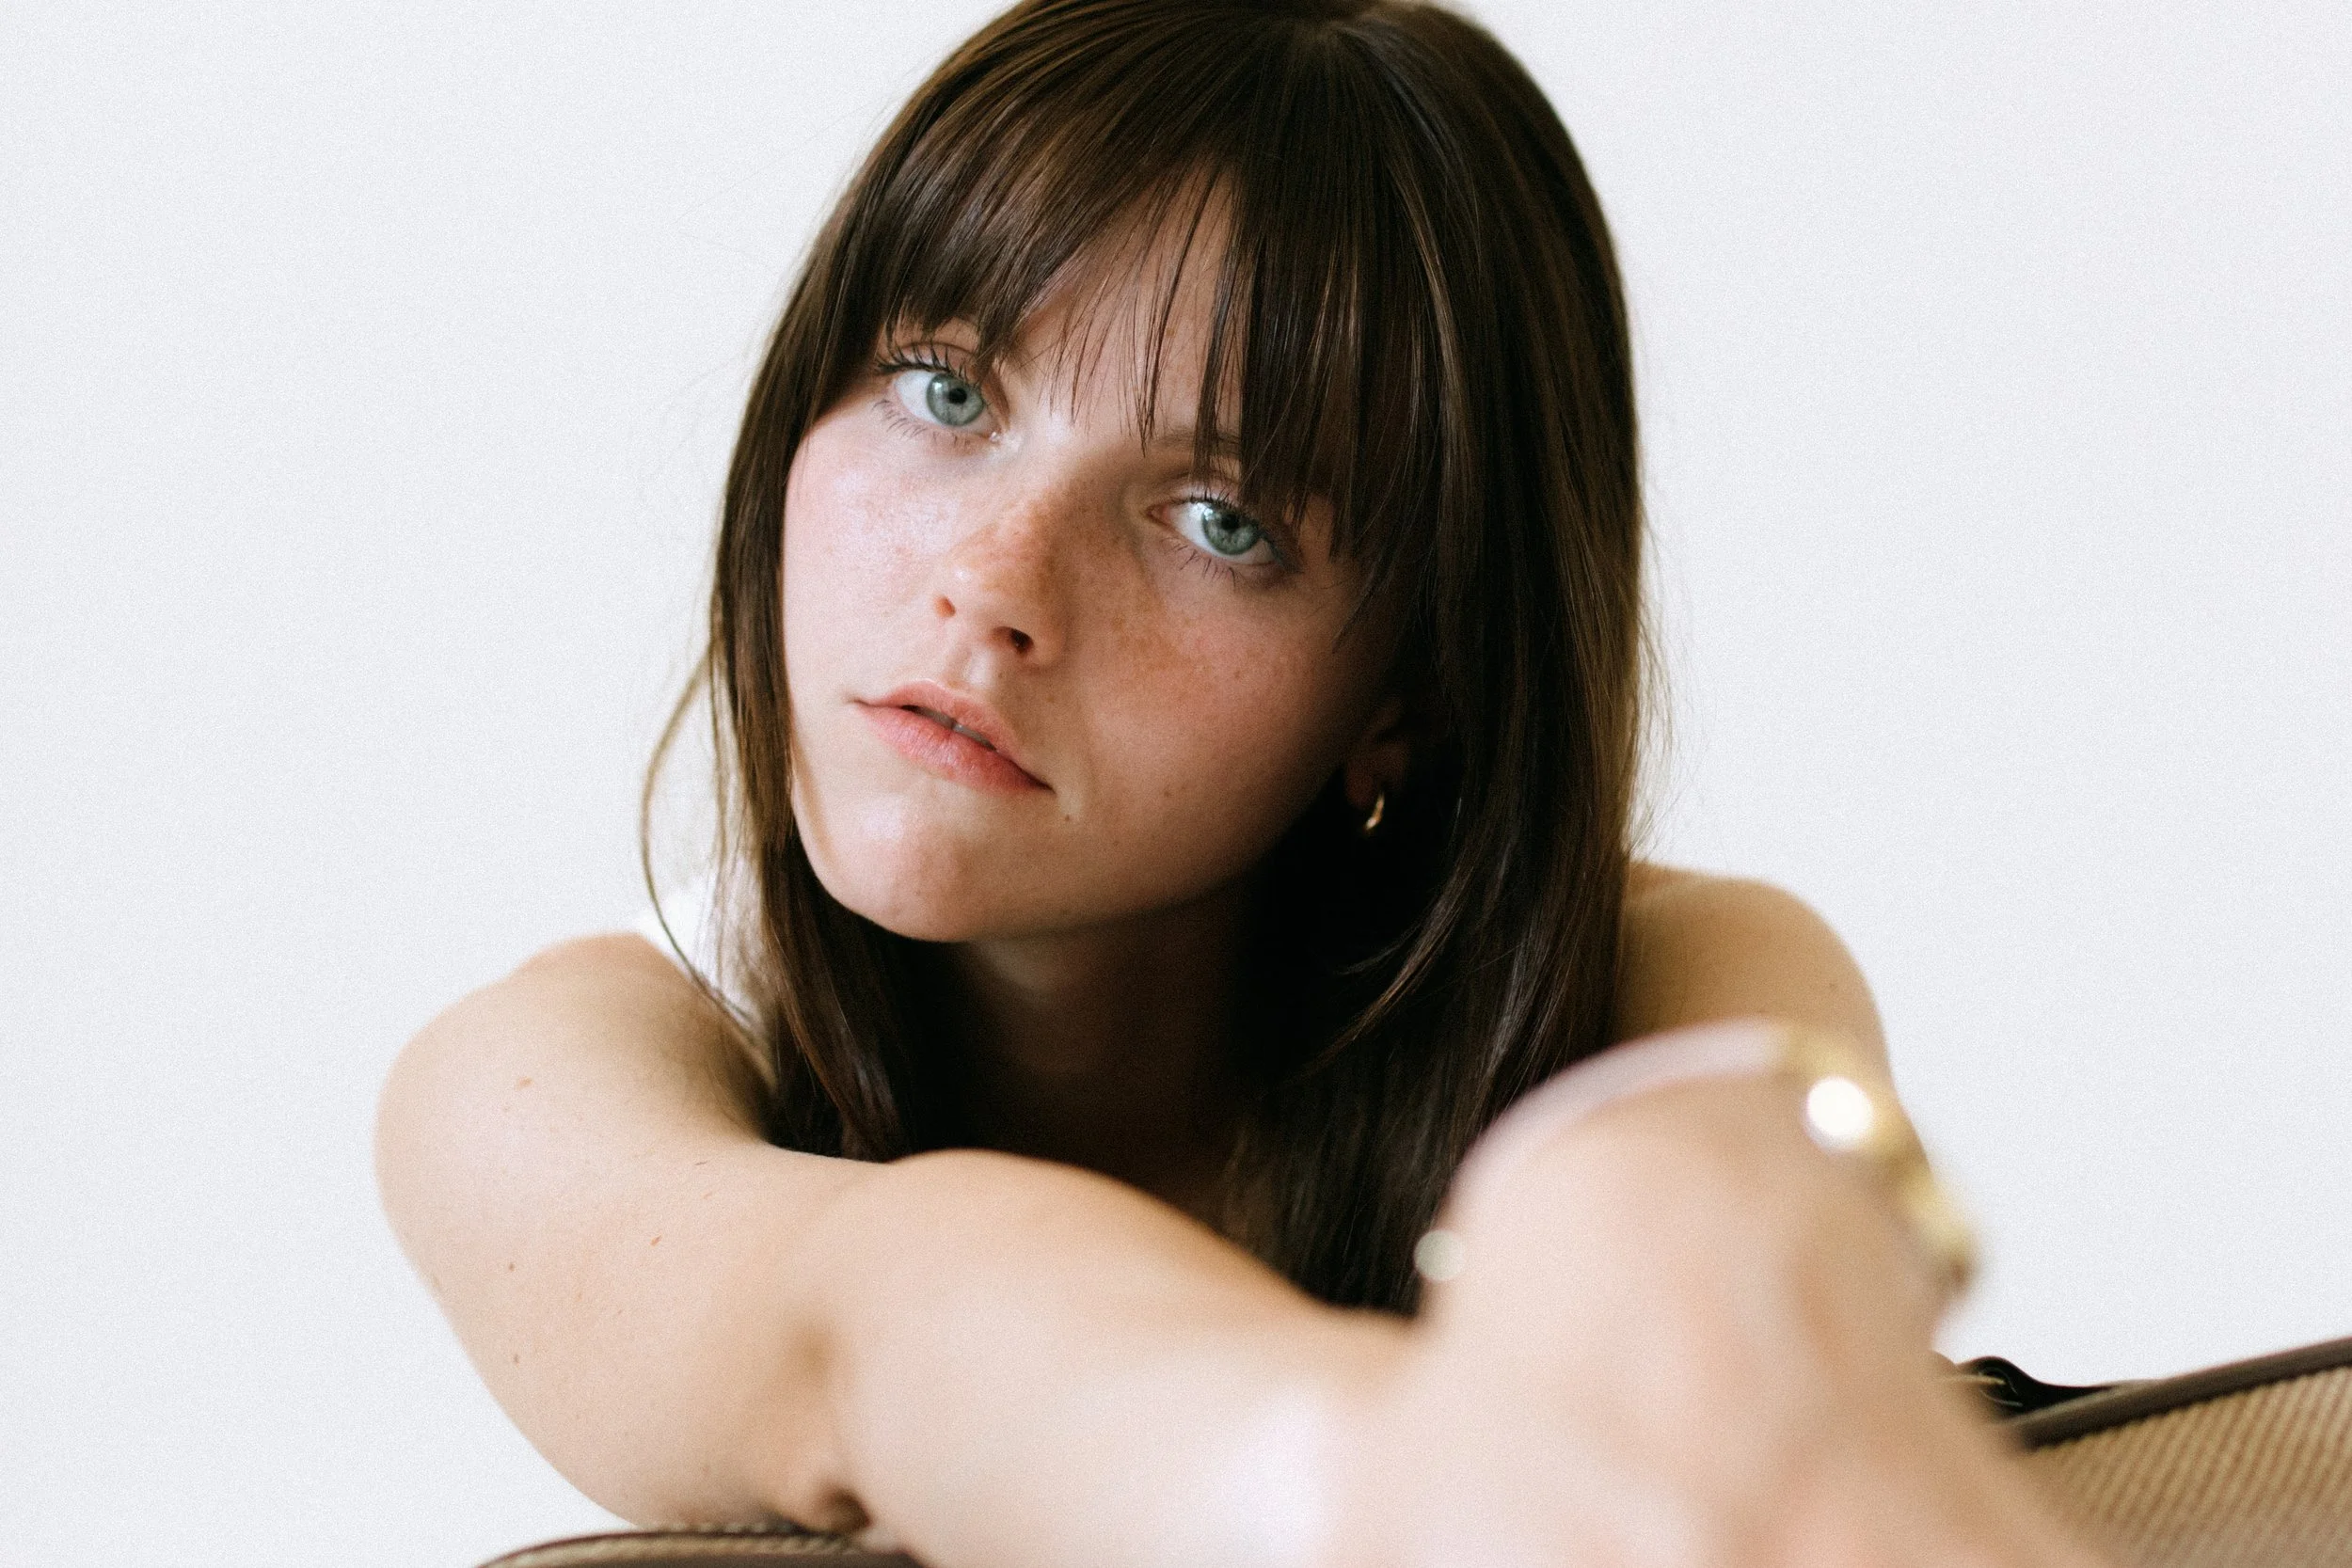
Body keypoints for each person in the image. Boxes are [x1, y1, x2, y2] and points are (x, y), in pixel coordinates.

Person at [377, 3, 2109, 1564]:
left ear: (1409, 696)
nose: (991, 583)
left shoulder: (1655, 976)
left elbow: (1709, 1248)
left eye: (1221, 519)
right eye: (945, 390)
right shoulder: (544, 1078)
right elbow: (879, 1319)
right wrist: (1405, 1483)